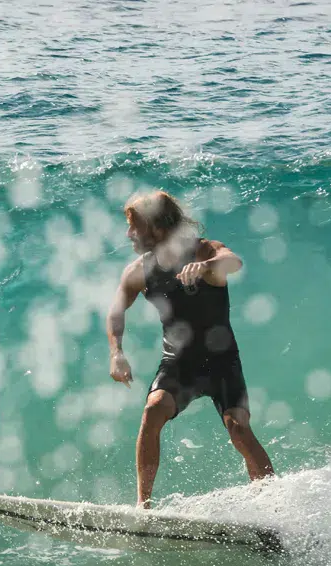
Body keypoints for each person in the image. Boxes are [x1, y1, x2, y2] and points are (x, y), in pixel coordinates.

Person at [105, 190, 274, 509]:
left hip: (222, 362)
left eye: (134, 226)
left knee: (238, 429)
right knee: (153, 410)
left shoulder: (204, 251)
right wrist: (117, 352)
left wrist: (207, 266)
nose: (128, 234)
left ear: (156, 227)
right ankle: (143, 506)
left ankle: (272, 502)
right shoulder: (139, 270)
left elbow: (233, 261)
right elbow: (115, 311)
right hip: (178, 364)